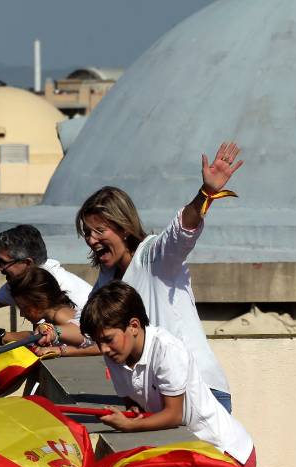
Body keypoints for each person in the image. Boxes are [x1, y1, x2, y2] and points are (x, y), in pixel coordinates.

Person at [75, 142, 243, 412]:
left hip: (198, 391)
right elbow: (86, 327)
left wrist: (205, 194)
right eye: (87, 232)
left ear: (124, 227)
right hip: (159, 400)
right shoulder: (107, 280)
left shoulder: (154, 257)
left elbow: (182, 230)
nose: (91, 240)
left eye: (100, 231)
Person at [80, 282, 256, 467]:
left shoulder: (166, 349)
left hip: (225, 449)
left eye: (108, 339)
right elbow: (133, 403)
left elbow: (174, 414)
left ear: (134, 326)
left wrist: (129, 425)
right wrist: (133, 412)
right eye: (97, 342)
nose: (103, 349)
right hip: (192, 449)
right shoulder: (116, 357)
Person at [0, 266, 89, 355]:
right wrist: (1, 337)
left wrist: (54, 334)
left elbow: (85, 335)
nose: (22, 314)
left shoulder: (63, 318)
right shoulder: (59, 316)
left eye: (24, 308)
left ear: (41, 301)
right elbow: (33, 337)